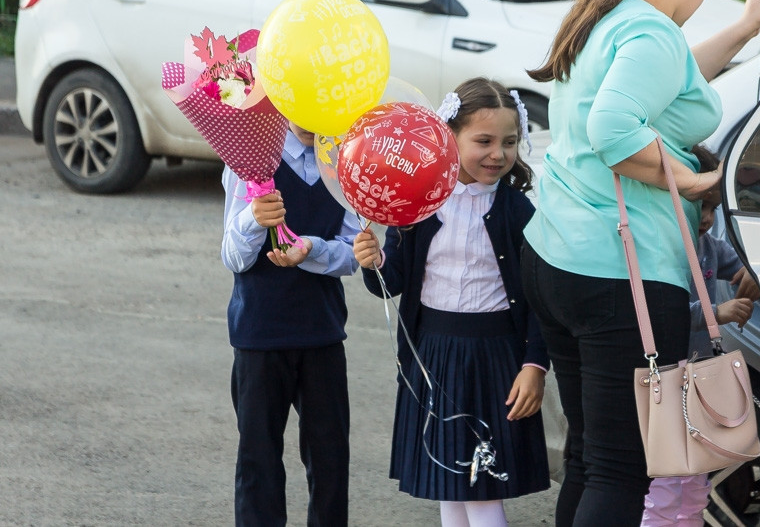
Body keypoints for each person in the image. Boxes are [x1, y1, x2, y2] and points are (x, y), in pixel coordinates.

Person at [519, 0, 760, 526]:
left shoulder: (613, 17)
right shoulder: (651, 33)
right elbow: (615, 125)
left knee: (590, 457)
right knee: (619, 471)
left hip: (557, 256)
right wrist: (689, 180)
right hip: (618, 275)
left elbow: (670, 80)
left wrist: (743, 30)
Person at [353, 77, 550, 527]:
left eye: (509, 141)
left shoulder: (520, 213)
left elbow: (541, 300)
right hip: (434, 355)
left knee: (481, 487)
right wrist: (374, 261)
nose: (498, 153)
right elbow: (391, 282)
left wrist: (535, 364)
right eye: (483, 140)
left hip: (495, 360)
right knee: (450, 486)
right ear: (449, 137)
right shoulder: (418, 204)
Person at [221, 121, 361, 526]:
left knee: (331, 459)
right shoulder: (248, 160)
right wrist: (253, 218)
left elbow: (353, 253)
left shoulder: (342, 161)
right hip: (260, 334)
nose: (311, 121)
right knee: (258, 458)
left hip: (322, 331)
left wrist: (312, 249)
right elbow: (232, 256)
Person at [641, 145, 760, 527]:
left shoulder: (708, 246)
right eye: (699, 207)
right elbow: (662, 315)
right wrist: (714, 314)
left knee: (696, 479)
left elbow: (739, 265)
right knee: (665, 481)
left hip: (699, 380)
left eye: (712, 208)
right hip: (668, 380)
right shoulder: (662, 251)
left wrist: (752, 273)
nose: (706, 218)